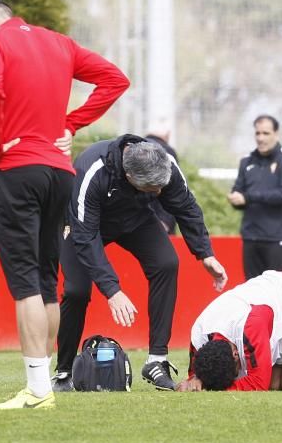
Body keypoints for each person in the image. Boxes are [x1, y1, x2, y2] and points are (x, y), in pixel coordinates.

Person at [0, 0, 130, 410]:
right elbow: (115, 80)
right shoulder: (59, 42)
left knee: (25, 282)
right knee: (45, 281)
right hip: (60, 173)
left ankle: (38, 390)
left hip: (17, 169)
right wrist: (70, 124)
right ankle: (49, 380)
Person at [53, 136, 228, 392]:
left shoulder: (165, 164)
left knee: (166, 263)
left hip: (134, 218)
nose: (159, 193)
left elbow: (186, 206)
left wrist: (205, 254)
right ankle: (63, 373)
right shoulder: (92, 171)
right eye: (152, 188)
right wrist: (112, 290)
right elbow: (86, 237)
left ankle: (157, 360)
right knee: (76, 291)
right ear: (129, 175)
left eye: (161, 187)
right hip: (84, 226)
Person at [227, 115, 282, 281]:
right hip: (250, 237)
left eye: (266, 133)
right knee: (253, 291)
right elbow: (238, 191)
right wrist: (235, 199)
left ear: (276, 134)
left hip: (277, 238)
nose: (261, 138)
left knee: (278, 291)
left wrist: (247, 197)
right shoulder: (246, 161)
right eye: (258, 133)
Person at [144, 126, 179, 234]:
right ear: (167, 136)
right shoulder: (167, 151)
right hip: (160, 218)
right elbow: (172, 188)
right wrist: (166, 220)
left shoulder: (138, 148)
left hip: (139, 217)